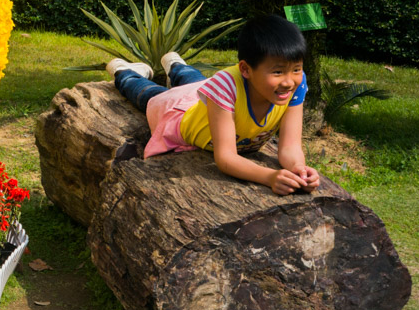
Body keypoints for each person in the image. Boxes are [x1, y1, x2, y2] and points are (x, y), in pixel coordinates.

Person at [106, 15, 320, 195]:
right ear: (245, 69)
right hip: (181, 112)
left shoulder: (295, 85)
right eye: (277, 71)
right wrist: (270, 176)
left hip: (212, 97)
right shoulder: (224, 86)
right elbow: (226, 158)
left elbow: (290, 146)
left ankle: (176, 65)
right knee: (148, 93)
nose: (289, 81)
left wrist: (299, 169)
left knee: (198, 81)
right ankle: (124, 72)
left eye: (296, 69)